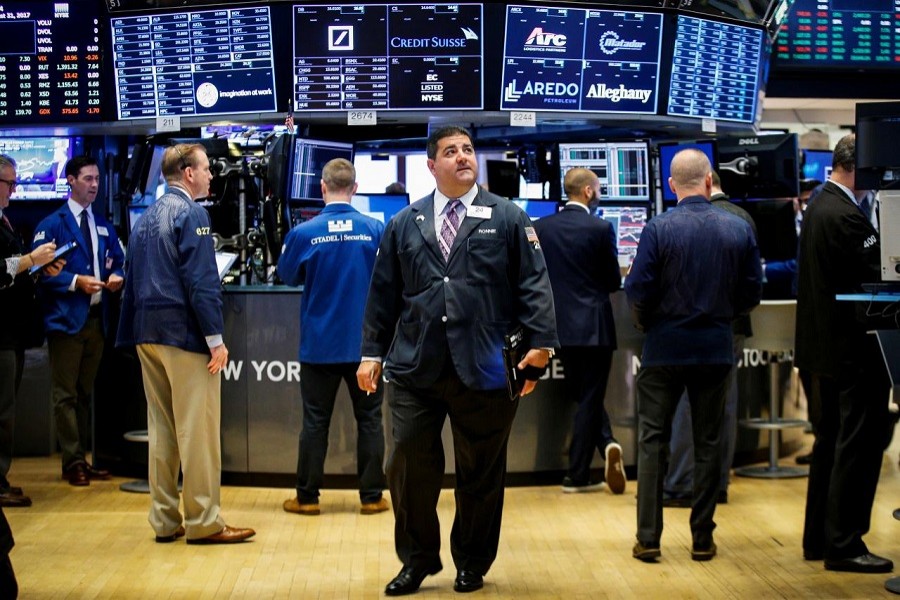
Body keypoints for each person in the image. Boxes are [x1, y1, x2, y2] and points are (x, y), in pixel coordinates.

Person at [356, 125, 558, 596]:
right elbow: (382, 294)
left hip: (486, 366)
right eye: (451, 151)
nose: (463, 157)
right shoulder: (404, 222)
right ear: (432, 166)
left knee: (481, 473)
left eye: (468, 150)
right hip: (414, 367)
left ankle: (472, 561)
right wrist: (370, 352)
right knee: (405, 466)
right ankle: (418, 560)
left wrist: (541, 344)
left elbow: (534, 282)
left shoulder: (507, 216)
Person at [625, 149, 762, 563]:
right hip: (714, 349)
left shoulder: (658, 227)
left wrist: (651, 325)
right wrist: (721, 318)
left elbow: (638, 291)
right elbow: (751, 294)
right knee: (708, 443)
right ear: (708, 181)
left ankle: (648, 538)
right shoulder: (738, 229)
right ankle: (702, 539)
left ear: (671, 185)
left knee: (652, 443)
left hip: (664, 349)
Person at [116, 143, 254, 545]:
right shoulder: (194, 213)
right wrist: (216, 339)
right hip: (184, 335)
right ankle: (204, 521)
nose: (212, 175)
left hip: (145, 334)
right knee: (198, 431)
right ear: (189, 173)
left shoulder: (144, 218)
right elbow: (202, 282)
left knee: (162, 430)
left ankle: (164, 520)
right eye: (207, 169)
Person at [795, 133, 893, 573]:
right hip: (854, 354)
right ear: (856, 169)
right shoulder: (848, 218)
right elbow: (878, 272)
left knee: (830, 446)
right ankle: (845, 543)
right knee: (856, 447)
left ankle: (818, 537)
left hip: (824, 351)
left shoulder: (818, 205)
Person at [277, 158, 388, 517]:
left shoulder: (304, 233)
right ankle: (372, 497)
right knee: (370, 420)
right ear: (354, 189)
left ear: (322, 188)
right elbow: (392, 281)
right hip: (365, 348)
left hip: (319, 346)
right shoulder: (375, 229)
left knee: (314, 422)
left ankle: (307, 498)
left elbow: (288, 276)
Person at [662, 171, 758, 507]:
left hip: (691, 330)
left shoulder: (675, 221)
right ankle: (717, 484)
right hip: (730, 328)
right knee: (725, 407)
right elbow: (752, 285)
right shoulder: (742, 219)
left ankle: (680, 484)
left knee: (689, 406)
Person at [31, 156, 125, 486]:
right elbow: (38, 272)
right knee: (65, 395)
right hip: (66, 321)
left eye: (97, 178)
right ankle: (73, 462)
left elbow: (121, 260)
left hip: (97, 320)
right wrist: (75, 282)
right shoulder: (52, 223)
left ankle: (82, 458)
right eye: (87, 178)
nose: (95, 184)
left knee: (85, 395)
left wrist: (117, 275)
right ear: (70, 180)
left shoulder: (103, 224)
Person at [533, 167, 625, 494]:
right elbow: (613, 281)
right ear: (588, 191)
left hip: (559, 328)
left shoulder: (542, 227)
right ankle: (577, 473)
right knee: (590, 396)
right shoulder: (601, 228)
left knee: (583, 394)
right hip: (595, 327)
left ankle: (607, 443)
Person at [0, 153, 63, 509]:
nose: (14, 189)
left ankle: (1, 478)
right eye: (9, 183)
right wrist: (30, 260)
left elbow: (15, 276)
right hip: (1, 337)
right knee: (1, 415)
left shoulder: (5, 222)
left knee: (6, 413)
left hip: (14, 333)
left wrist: (40, 270)